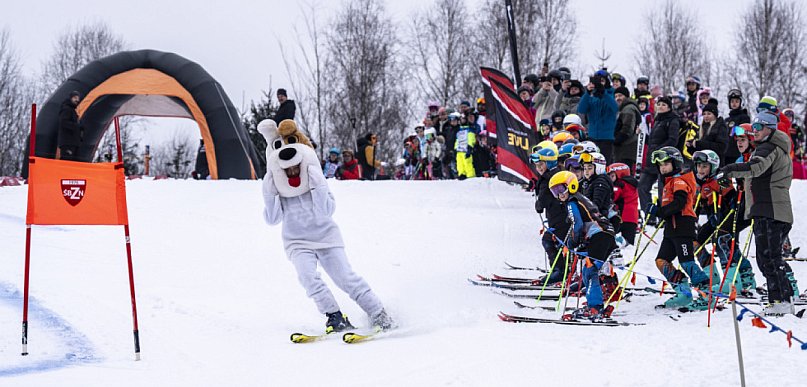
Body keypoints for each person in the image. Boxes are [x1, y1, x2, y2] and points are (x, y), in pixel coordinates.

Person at [258, 119, 394, 333]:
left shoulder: (313, 180)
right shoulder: (281, 188)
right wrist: (269, 193)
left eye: (296, 167)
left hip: (327, 238)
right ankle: (334, 315)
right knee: (307, 277)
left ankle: (379, 313)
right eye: (288, 169)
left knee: (345, 278)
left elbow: (327, 211)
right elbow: (272, 219)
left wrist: (318, 184)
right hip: (297, 242)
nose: (292, 171)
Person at [718, 112, 798, 315]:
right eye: (754, 127)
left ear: (769, 128)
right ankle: (785, 298)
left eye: (758, 127)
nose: (755, 131)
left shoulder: (768, 147)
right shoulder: (773, 146)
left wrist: (728, 169)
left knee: (769, 258)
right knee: (769, 257)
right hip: (770, 209)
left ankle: (780, 299)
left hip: (771, 209)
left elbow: (755, 167)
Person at [646, 146, 712, 310]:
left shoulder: (679, 181)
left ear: (675, 163)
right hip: (671, 228)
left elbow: (680, 203)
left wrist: (659, 211)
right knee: (662, 260)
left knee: (687, 261)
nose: (663, 168)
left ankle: (706, 294)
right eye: (660, 165)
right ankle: (683, 293)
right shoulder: (669, 182)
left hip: (683, 226)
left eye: (666, 164)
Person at [548, 171, 618, 320]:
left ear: (571, 186)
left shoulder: (572, 202)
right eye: (555, 192)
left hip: (601, 235)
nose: (559, 195)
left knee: (589, 270)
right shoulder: (580, 199)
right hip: (605, 235)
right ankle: (595, 305)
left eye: (561, 189)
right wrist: (582, 244)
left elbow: (577, 225)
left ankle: (595, 307)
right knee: (590, 269)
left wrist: (572, 243)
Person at [532, 144, 571, 285]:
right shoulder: (557, 172)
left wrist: (539, 204)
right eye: (537, 165)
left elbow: (544, 197)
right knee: (558, 243)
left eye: (541, 164)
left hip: (559, 218)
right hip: (559, 217)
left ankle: (560, 271)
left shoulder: (549, 177)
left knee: (549, 241)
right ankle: (561, 270)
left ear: (549, 162)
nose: (539, 168)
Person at [638, 97, 678, 226]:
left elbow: (673, 140)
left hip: (664, 160)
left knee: (663, 191)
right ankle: (650, 215)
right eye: (658, 104)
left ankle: (664, 217)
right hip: (652, 160)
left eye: (664, 105)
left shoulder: (672, 120)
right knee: (642, 186)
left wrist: (659, 152)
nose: (660, 107)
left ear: (669, 107)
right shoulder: (657, 120)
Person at [577, 71, 618, 164]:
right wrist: (587, 93)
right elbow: (581, 109)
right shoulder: (591, 96)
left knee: (605, 162)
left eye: (602, 81)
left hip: (607, 137)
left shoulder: (612, 93)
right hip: (592, 135)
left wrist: (604, 93)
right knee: (592, 163)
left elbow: (615, 108)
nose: (600, 83)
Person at [608, 163, 639, 246]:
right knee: (629, 242)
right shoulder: (631, 184)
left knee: (619, 243)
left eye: (612, 176)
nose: (610, 179)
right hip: (633, 218)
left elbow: (613, 197)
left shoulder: (620, 185)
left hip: (623, 216)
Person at [613, 87, 639, 168]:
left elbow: (627, 128)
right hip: (624, 148)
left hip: (626, 147)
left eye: (620, 95)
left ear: (626, 96)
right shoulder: (622, 108)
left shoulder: (628, 109)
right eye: (616, 96)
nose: (618, 98)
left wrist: (616, 140)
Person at [58, 90, 82, 161]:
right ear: (70, 98)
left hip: (74, 143)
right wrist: (77, 126)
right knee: (67, 163)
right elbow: (64, 123)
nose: (77, 100)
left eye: (78, 98)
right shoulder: (66, 109)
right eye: (75, 98)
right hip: (68, 143)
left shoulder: (73, 111)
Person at [455, 113, 477, 180]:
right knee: (460, 164)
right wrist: (455, 148)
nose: (462, 120)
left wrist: (470, 147)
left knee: (468, 163)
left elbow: (471, 138)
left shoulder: (469, 129)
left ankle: (470, 176)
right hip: (459, 150)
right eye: (461, 119)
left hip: (466, 149)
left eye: (463, 119)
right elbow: (457, 140)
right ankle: (462, 174)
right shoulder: (459, 131)